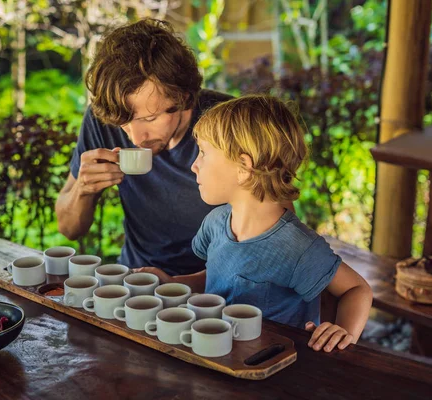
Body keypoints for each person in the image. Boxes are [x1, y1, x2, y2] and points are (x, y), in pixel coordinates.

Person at [138, 95, 373, 352]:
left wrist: (342, 334)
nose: (194, 165)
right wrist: (170, 283)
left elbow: (357, 289)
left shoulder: (296, 247)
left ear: (243, 167)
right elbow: (218, 280)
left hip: (274, 366)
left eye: (203, 152)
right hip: (221, 354)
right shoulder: (215, 223)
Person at [55, 18, 237, 276]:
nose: (136, 139)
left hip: (219, 288)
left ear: (184, 97)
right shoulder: (105, 119)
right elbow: (69, 229)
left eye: (150, 119)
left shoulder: (230, 124)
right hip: (136, 281)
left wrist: (181, 285)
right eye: (124, 124)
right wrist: (83, 190)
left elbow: (273, 236)